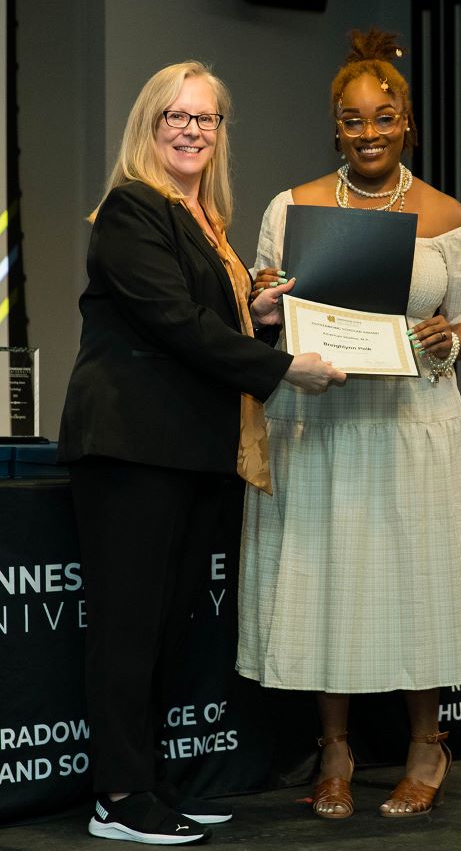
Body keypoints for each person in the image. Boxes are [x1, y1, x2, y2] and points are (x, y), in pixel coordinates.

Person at [57, 59, 345, 845]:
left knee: (164, 632)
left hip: (189, 452)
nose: (191, 130)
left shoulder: (203, 219)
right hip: (131, 449)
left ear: (220, 133)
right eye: (175, 117)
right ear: (150, 127)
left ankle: (149, 782)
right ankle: (118, 796)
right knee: (128, 631)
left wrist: (253, 312)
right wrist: (286, 366)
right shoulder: (131, 208)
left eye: (205, 118)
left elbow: (200, 318)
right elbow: (174, 324)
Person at [236, 28, 461, 820]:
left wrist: (452, 336)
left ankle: (427, 746)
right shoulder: (295, 207)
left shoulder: (446, 216)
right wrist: (262, 302)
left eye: (384, 117)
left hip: (412, 421)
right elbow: (264, 303)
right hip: (318, 419)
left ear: (407, 121)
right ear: (336, 127)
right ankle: (336, 751)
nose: (370, 132)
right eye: (353, 120)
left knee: (416, 578)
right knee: (326, 579)